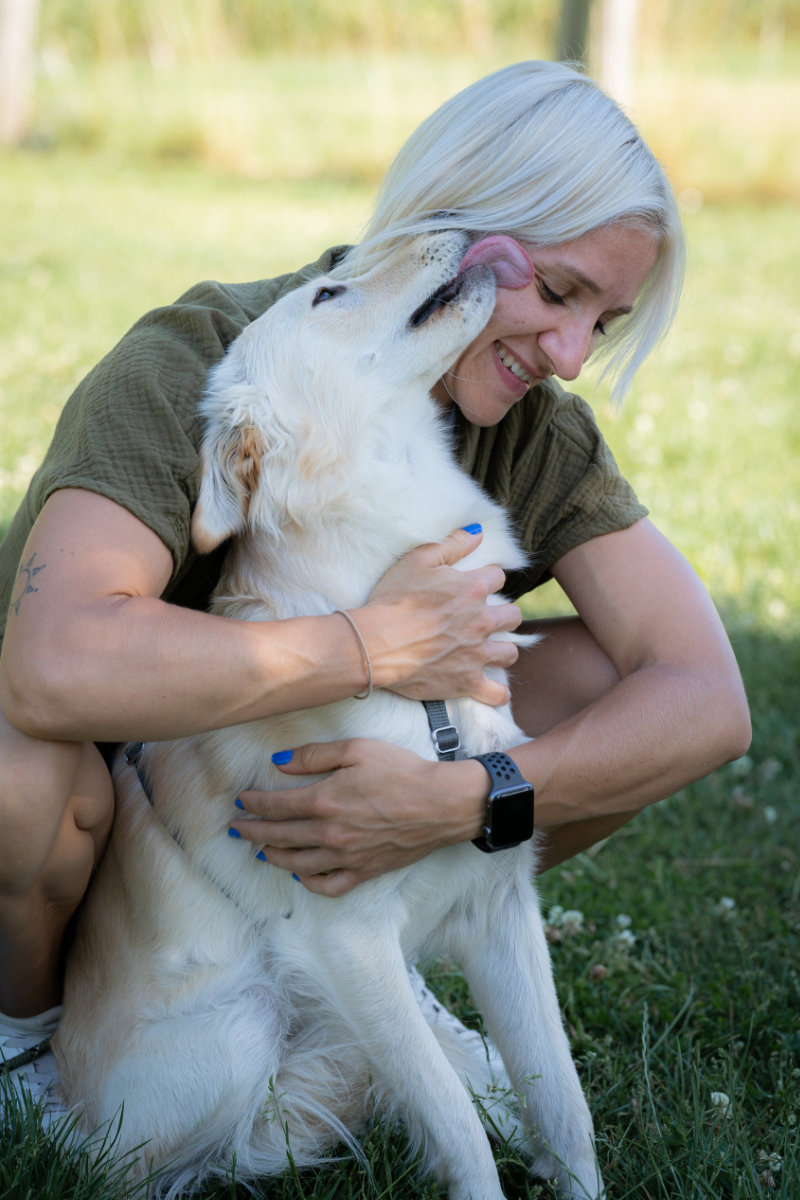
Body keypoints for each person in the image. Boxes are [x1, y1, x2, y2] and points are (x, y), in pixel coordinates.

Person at [0, 61, 750, 1113]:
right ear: (461, 224)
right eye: (558, 291)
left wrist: (455, 803)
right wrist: (371, 646)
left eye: (604, 322)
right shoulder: (206, 364)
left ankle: (361, 957)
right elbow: (50, 668)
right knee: (20, 781)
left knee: (586, 683)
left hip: (273, 833)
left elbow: (704, 699)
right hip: (102, 847)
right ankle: (27, 1041)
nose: (572, 356)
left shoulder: (531, 429)